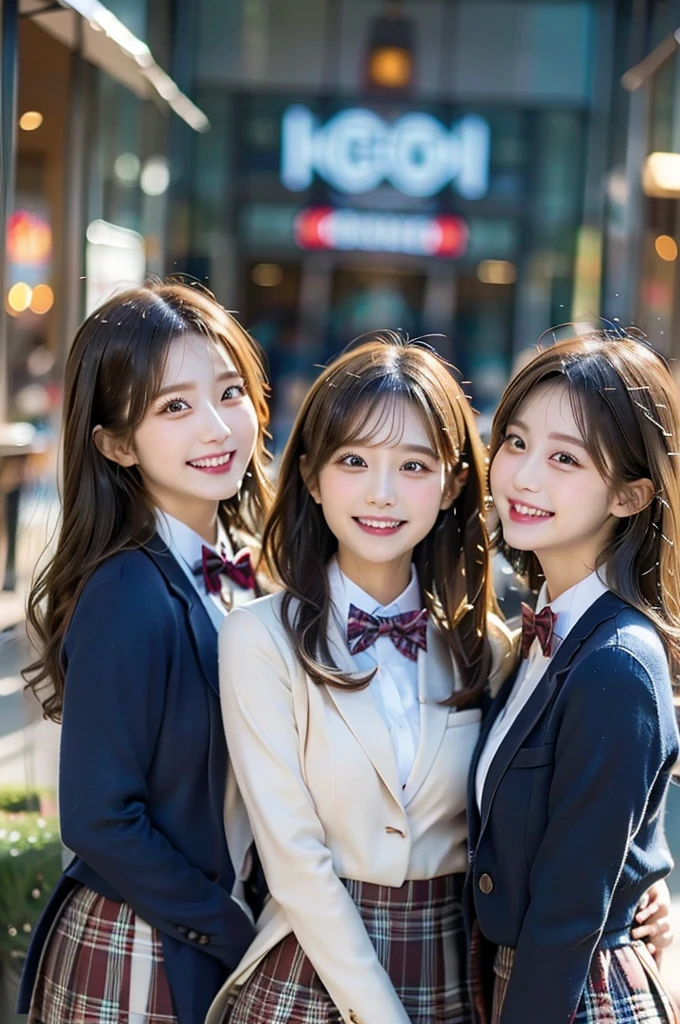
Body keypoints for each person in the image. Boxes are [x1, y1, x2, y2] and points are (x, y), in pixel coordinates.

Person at [207, 333, 516, 1024]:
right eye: (353, 460)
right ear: (312, 476)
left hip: (448, 966)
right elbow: (293, 858)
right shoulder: (258, 639)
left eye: (413, 465)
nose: (381, 493)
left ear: (454, 481)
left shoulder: (486, 650)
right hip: (308, 969)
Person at [18, 280, 273, 1024]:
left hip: (206, 935)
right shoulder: (128, 590)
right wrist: (231, 927)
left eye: (229, 393)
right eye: (175, 407)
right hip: (146, 947)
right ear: (116, 443)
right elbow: (99, 817)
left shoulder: (250, 568)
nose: (217, 427)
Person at [468, 331, 680, 1024]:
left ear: (629, 495)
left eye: (566, 458)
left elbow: (568, 910)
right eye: (518, 442)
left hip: (571, 996)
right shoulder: (545, 634)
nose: (524, 477)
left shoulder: (615, 659)